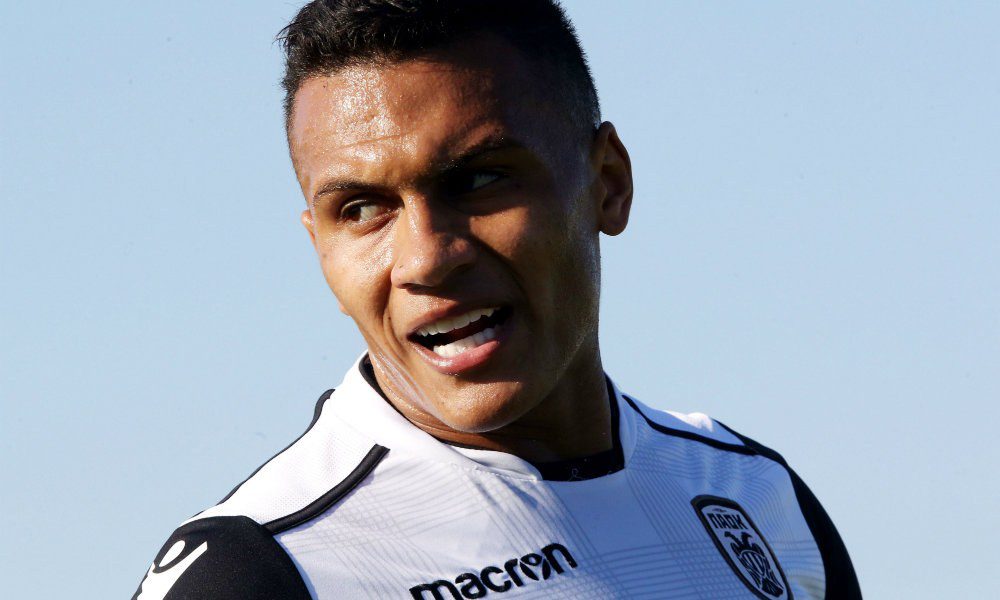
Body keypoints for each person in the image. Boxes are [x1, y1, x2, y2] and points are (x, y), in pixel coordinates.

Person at [133, 1, 861, 598]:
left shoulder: (757, 496)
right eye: (362, 209)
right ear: (319, 244)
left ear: (608, 183)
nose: (426, 258)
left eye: (478, 182)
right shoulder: (265, 570)